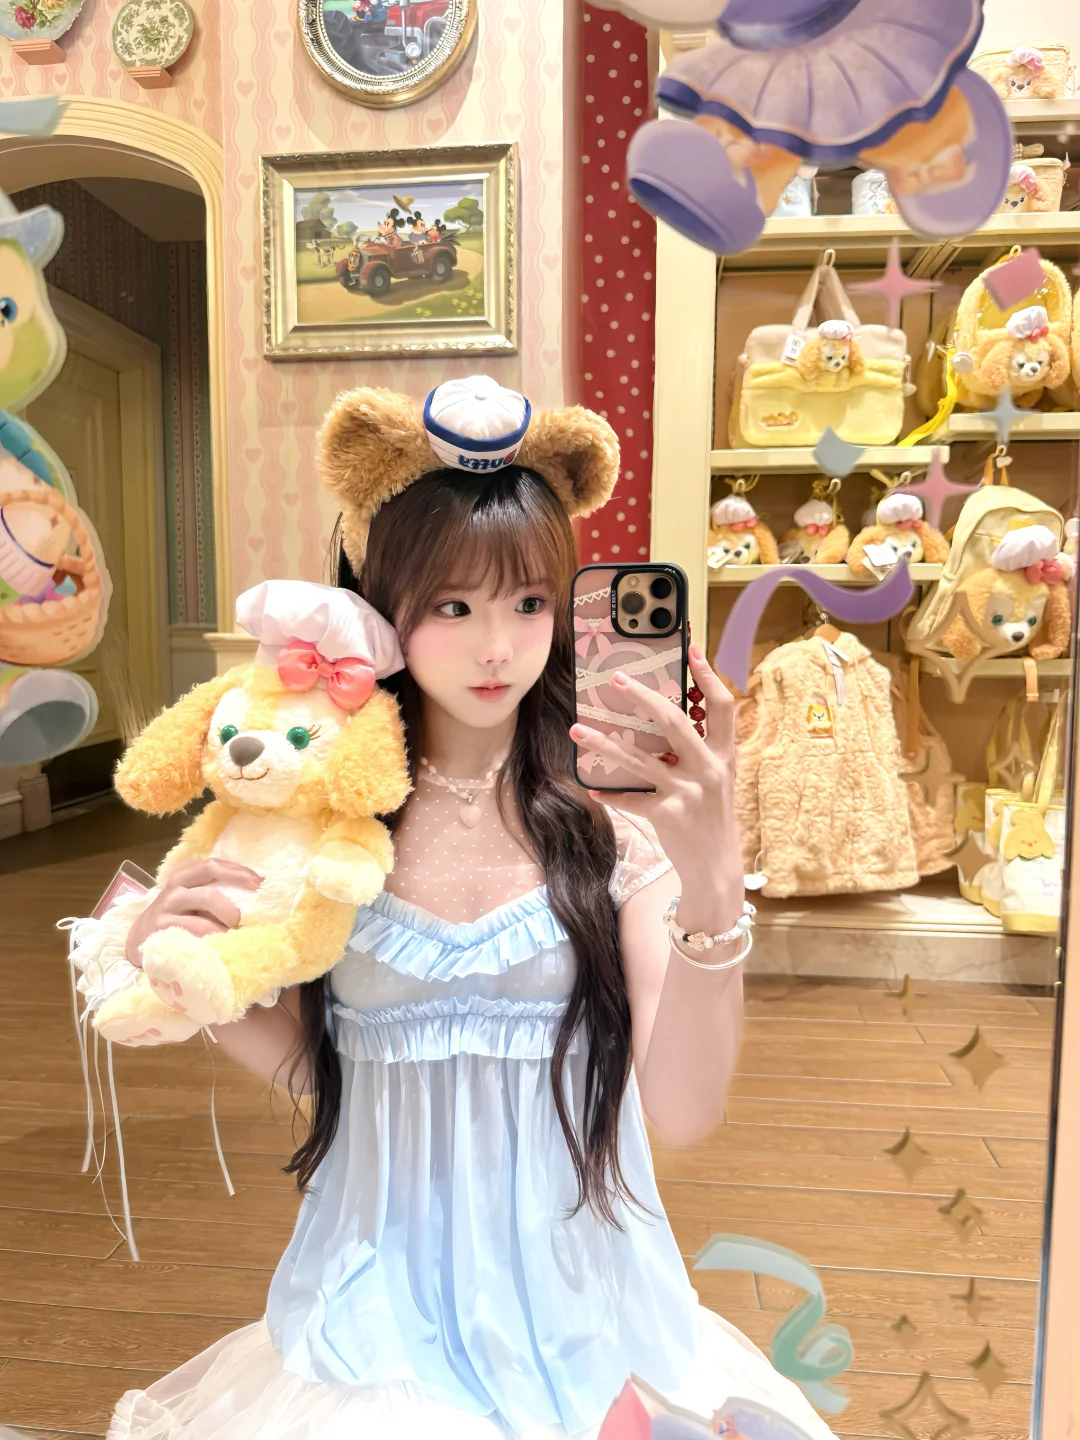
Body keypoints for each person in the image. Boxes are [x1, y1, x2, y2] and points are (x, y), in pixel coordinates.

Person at [106, 378, 835, 1440]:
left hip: (589, 1313)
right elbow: (320, 1070)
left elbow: (680, 1113)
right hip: (375, 1312)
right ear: (379, 605)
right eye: (453, 606)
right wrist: (188, 966)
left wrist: (713, 878)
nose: (497, 647)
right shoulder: (327, 822)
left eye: (529, 603)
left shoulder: (616, 829)